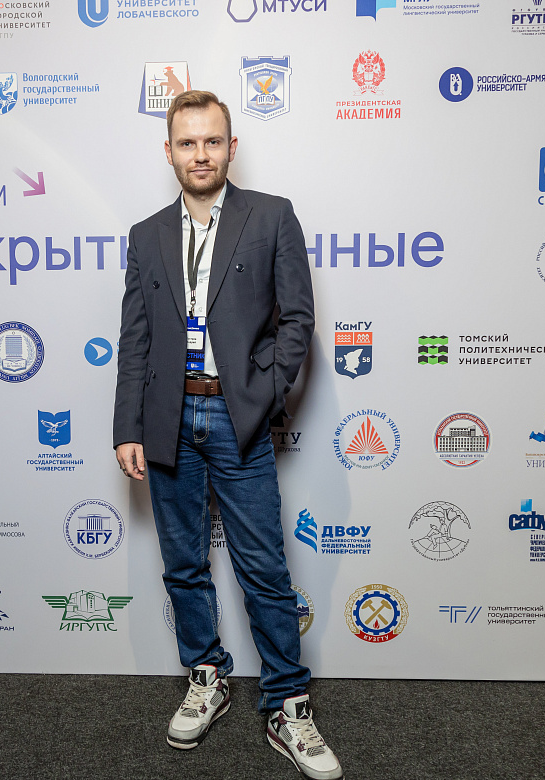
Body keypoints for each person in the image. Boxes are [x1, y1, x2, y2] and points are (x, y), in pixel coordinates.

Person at [113, 90, 342, 780]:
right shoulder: (146, 234)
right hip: (167, 419)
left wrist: (263, 391)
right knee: (183, 562)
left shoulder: (270, 216)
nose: (201, 154)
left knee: (263, 567)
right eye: (187, 143)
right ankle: (205, 677)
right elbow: (135, 339)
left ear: (231, 147)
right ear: (169, 151)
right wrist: (128, 425)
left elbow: (297, 319)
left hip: (234, 416)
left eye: (212, 141)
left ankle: (288, 705)